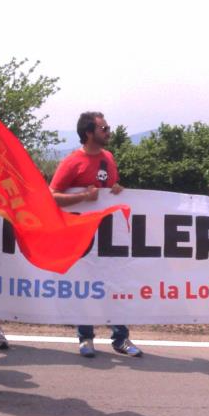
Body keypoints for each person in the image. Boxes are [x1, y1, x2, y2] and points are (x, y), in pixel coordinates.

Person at [49, 111, 141, 358]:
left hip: (109, 235)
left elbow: (108, 189)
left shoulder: (108, 158)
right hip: (83, 238)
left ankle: (120, 338)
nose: (109, 132)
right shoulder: (71, 162)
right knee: (86, 285)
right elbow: (52, 196)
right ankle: (86, 337)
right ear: (89, 133)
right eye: (103, 128)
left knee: (115, 285)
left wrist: (117, 189)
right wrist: (82, 197)